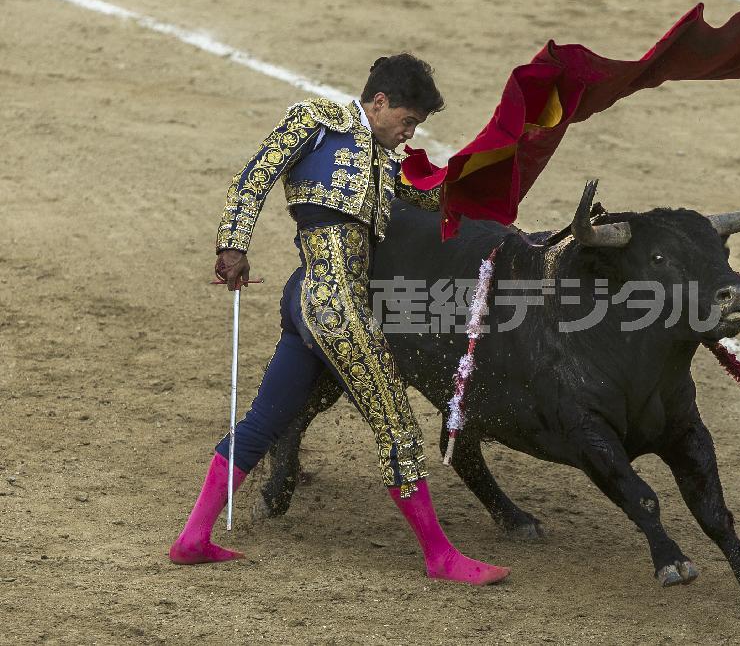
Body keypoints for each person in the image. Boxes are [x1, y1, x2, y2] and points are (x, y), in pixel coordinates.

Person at [169, 54, 510, 586]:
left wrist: (483, 171)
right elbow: (255, 174)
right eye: (408, 120)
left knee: (264, 421)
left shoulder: (383, 163)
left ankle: (193, 539)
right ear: (379, 102)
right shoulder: (316, 120)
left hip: (312, 299)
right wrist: (233, 245)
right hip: (332, 302)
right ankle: (440, 556)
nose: (409, 132)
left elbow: (426, 202)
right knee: (395, 421)